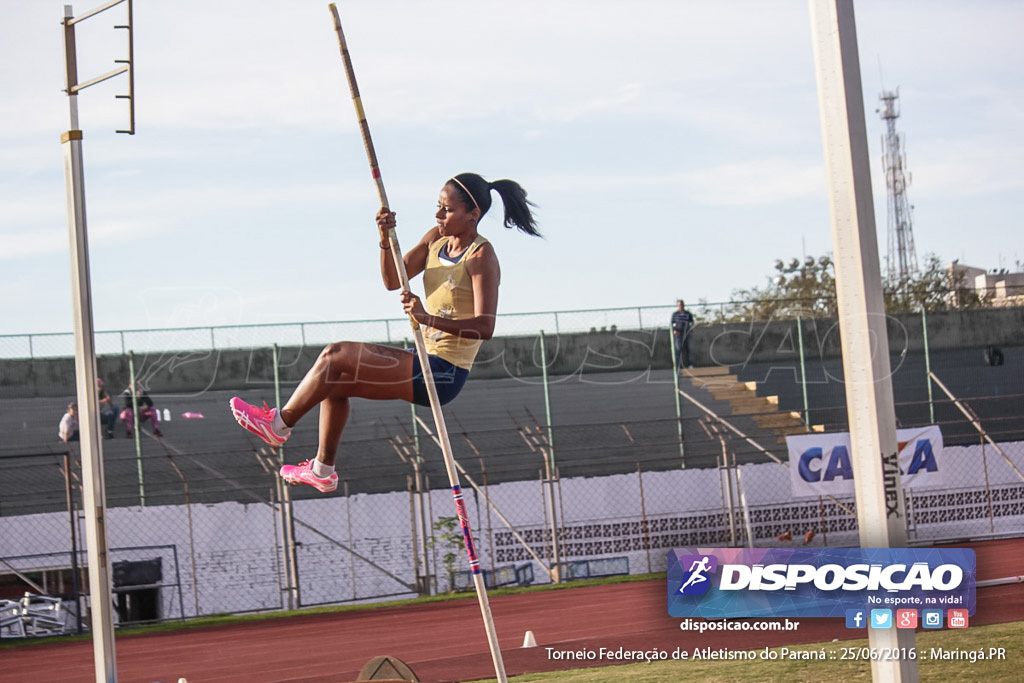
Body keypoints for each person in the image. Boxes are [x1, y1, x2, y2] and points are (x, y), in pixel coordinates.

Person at [230, 172, 541, 493]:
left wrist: (426, 317)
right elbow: (394, 278)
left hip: (444, 372)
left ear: (473, 214)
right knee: (334, 382)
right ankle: (323, 470)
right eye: (438, 207)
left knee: (336, 354)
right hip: (423, 360)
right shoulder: (436, 238)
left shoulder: (480, 257)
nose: (438, 215)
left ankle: (277, 426)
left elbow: (484, 327)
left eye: (447, 210)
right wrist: (384, 238)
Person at [671, 299, 695, 370]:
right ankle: (677, 366)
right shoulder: (675, 314)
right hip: (678, 335)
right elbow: (672, 324)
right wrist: (675, 330)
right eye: (679, 305)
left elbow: (692, 323)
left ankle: (690, 364)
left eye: (681, 305)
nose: (680, 306)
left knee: (689, 349)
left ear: (683, 305)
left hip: (687, 334)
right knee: (678, 350)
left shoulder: (688, 314)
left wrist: (690, 330)